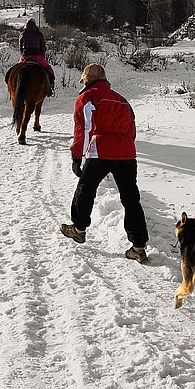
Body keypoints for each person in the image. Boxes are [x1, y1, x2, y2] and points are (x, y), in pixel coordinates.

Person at [60, 63, 149, 263]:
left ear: (87, 79)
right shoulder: (122, 100)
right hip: (127, 154)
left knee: (86, 187)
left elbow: (84, 128)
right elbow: (132, 130)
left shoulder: (88, 97)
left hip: (101, 151)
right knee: (131, 198)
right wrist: (125, 149)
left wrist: (77, 155)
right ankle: (139, 246)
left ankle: (79, 229)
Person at [19, 18, 55, 96]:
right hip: (37, 55)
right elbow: (42, 47)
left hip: (26, 55)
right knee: (49, 69)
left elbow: (20, 46)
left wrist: (23, 54)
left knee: (16, 69)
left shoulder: (23, 33)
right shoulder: (39, 34)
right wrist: (42, 57)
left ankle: (10, 83)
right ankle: (51, 86)